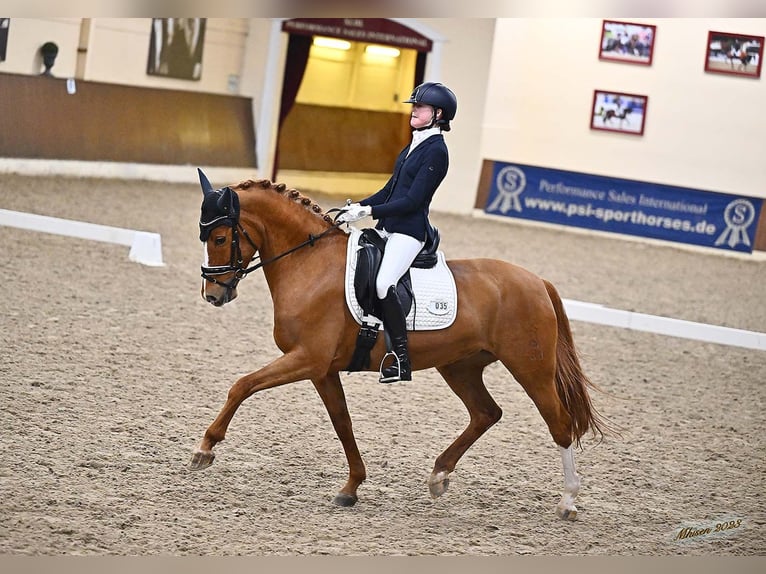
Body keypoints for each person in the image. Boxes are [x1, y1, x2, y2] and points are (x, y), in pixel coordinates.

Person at [337, 81, 457, 383]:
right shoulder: (413, 145)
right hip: (388, 227)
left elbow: (413, 201)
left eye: (420, 107)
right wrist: (359, 206)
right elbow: (391, 190)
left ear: (438, 114)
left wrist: (371, 212)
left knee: (383, 283)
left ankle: (401, 359)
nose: (413, 111)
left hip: (409, 232)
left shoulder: (436, 151)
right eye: (413, 106)